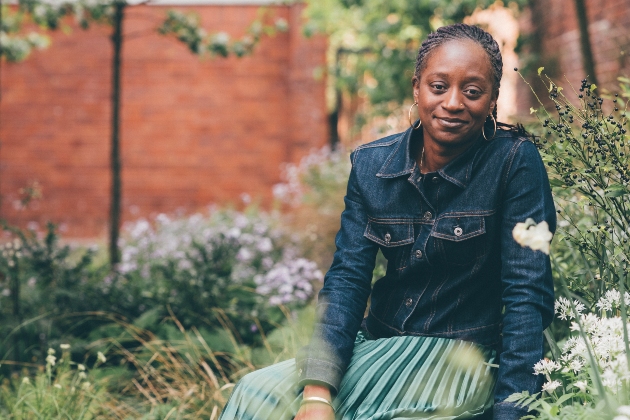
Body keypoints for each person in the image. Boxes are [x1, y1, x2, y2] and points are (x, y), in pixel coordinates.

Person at [219, 23, 556, 420]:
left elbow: (527, 296)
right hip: (378, 339)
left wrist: (512, 411)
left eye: (472, 91)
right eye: (438, 86)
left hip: (459, 357)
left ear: (491, 99)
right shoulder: (372, 166)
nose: (452, 103)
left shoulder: (514, 163)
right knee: (254, 395)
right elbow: (347, 279)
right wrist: (316, 393)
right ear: (417, 88)